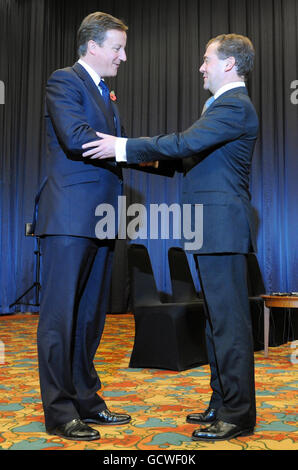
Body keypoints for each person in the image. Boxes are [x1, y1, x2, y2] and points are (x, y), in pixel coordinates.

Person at [82, 34, 259, 441]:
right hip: (208, 228)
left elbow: (185, 143)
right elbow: (182, 158)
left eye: (206, 59)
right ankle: (222, 400)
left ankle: (239, 413)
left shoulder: (234, 106)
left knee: (229, 325)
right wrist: (121, 155)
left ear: (229, 64)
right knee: (216, 322)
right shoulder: (220, 108)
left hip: (221, 230)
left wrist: (123, 146)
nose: (201, 67)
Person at [35, 12, 132, 441]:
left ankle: (87, 401)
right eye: (117, 47)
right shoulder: (64, 80)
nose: (123, 56)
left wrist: (148, 155)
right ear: (92, 45)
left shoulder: (105, 92)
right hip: (70, 218)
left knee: (90, 318)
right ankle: (59, 412)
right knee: (60, 318)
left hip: (102, 218)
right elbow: (77, 138)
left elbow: (110, 148)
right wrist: (132, 149)